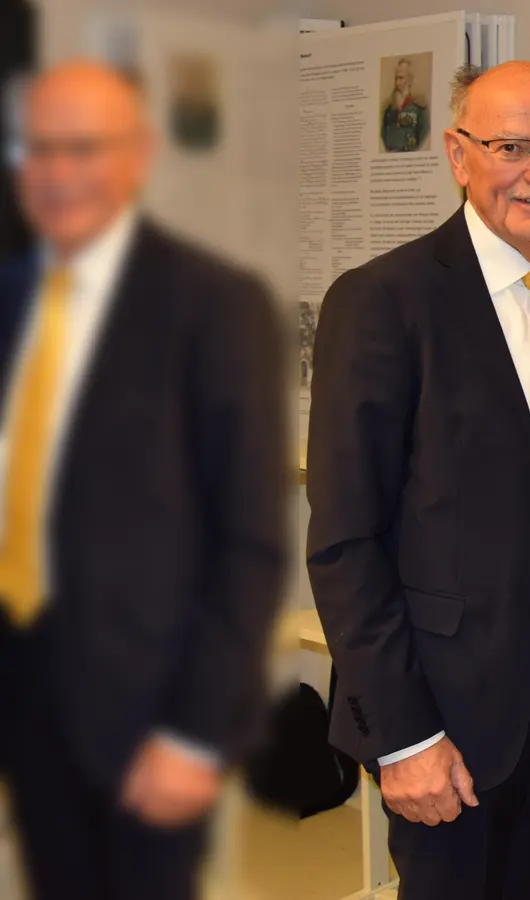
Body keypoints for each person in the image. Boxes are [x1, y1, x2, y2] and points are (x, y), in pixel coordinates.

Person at [306, 61, 530, 899]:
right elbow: (347, 542)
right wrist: (402, 737)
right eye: (512, 146)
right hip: (445, 713)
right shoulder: (382, 301)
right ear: (459, 156)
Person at [0, 62, 288, 900]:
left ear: (139, 155)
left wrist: (195, 735)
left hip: (146, 715)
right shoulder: (10, 297)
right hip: (26, 695)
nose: (58, 172)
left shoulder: (214, 304)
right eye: (38, 148)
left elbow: (248, 544)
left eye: (84, 148)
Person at [382, 57, 428, 152]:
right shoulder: (389, 109)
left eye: (401, 78)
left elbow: (424, 135)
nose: (397, 83)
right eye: (396, 78)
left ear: (410, 80)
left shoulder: (419, 108)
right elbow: (383, 136)